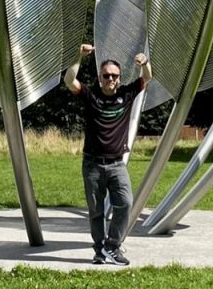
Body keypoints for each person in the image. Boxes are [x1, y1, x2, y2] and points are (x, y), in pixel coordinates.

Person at [64, 43, 152, 266]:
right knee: (96, 211)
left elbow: (147, 78)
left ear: (119, 78)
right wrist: (78, 57)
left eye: (114, 76)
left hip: (116, 165)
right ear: (100, 77)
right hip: (92, 165)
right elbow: (69, 81)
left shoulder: (126, 94)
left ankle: (113, 246)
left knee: (125, 203)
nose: (110, 79)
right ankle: (99, 251)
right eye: (106, 75)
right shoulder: (90, 95)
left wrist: (145, 63)